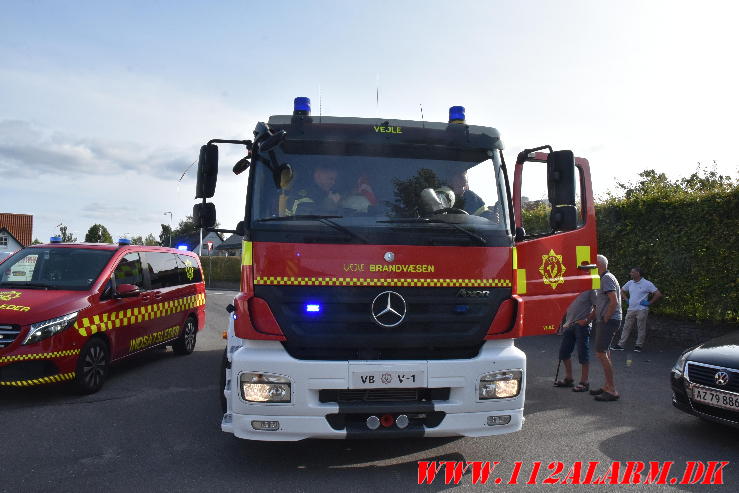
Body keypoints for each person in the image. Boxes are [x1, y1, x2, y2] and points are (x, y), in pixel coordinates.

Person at [590, 254, 622, 402]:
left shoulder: (606, 278)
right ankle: (607, 386)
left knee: (601, 353)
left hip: (609, 321)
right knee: (605, 353)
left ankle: (612, 390)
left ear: (598, 264)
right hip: (607, 320)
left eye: (592, 263)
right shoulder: (605, 277)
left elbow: (613, 301)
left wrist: (605, 317)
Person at [554, 289, 596, 392]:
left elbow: (597, 307)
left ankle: (584, 382)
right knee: (564, 353)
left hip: (582, 326)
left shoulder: (591, 289)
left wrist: (587, 320)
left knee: (583, 353)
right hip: (569, 324)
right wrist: (560, 322)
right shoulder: (571, 287)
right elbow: (565, 306)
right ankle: (569, 379)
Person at [611, 267, 662, 352]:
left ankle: (638, 346)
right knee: (626, 327)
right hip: (631, 309)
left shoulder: (647, 283)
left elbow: (658, 294)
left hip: (642, 309)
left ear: (638, 273)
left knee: (641, 328)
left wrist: (649, 302)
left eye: (632, 272)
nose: (630, 274)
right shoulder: (630, 283)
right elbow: (621, 291)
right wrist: (627, 300)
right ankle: (620, 345)